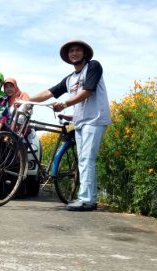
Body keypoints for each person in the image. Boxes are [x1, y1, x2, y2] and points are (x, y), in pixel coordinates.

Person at [23, 40, 111, 211]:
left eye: (78, 50)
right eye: (71, 51)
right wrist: (27, 100)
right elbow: (49, 93)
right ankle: (89, 199)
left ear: (84, 54)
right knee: (84, 160)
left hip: (95, 119)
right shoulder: (70, 79)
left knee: (87, 158)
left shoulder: (93, 67)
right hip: (80, 122)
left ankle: (86, 200)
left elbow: (88, 91)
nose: (74, 53)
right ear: (68, 56)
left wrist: (64, 104)